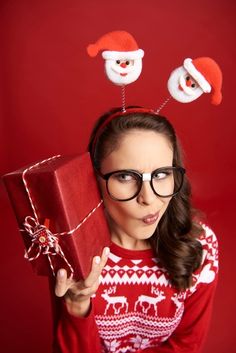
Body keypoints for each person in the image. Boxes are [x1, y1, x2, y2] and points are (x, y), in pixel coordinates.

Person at [53, 107, 218, 353]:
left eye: (162, 174)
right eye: (126, 177)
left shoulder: (201, 245)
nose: (149, 199)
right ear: (93, 178)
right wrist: (77, 306)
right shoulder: (70, 247)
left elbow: (186, 346)